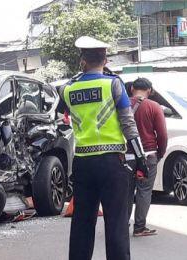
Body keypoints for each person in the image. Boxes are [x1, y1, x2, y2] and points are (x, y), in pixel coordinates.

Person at [58, 36, 149, 260]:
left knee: (82, 223)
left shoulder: (67, 88)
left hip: (83, 163)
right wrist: (140, 159)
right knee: (116, 223)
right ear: (105, 60)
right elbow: (128, 123)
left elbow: (61, 118)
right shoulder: (113, 84)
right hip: (112, 163)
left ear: (82, 61)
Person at [126, 78, 168, 237]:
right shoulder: (154, 106)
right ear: (149, 91)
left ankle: (122, 226)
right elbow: (162, 134)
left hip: (126, 156)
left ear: (132, 89)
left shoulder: (122, 105)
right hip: (148, 155)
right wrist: (160, 152)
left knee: (126, 192)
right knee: (144, 191)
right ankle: (139, 227)